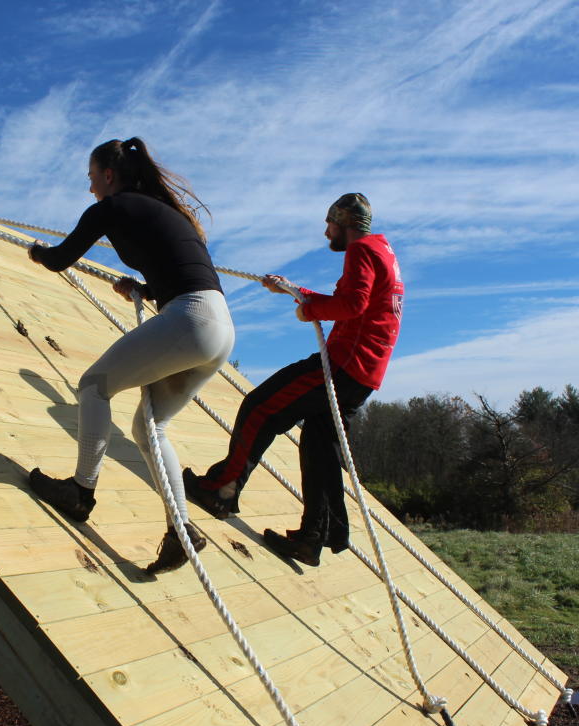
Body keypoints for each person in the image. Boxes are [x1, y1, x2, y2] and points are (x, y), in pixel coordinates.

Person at [27, 138, 235, 574]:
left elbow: (60, 258)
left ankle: (81, 491)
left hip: (190, 319)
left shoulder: (111, 208)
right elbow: (181, 271)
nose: (89, 190)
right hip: (218, 327)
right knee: (150, 427)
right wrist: (143, 290)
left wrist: (34, 251)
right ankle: (181, 532)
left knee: (93, 386)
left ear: (107, 175)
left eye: (90, 178)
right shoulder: (163, 212)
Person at [183, 192, 403, 567]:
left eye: (329, 223)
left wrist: (310, 311)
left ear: (344, 222)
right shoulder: (383, 253)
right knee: (318, 448)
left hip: (343, 366)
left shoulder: (361, 250)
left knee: (261, 407)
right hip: (364, 374)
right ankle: (312, 537)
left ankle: (222, 489)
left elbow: (353, 305)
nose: (325, 231)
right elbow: (352, 298)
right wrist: (292, 289)